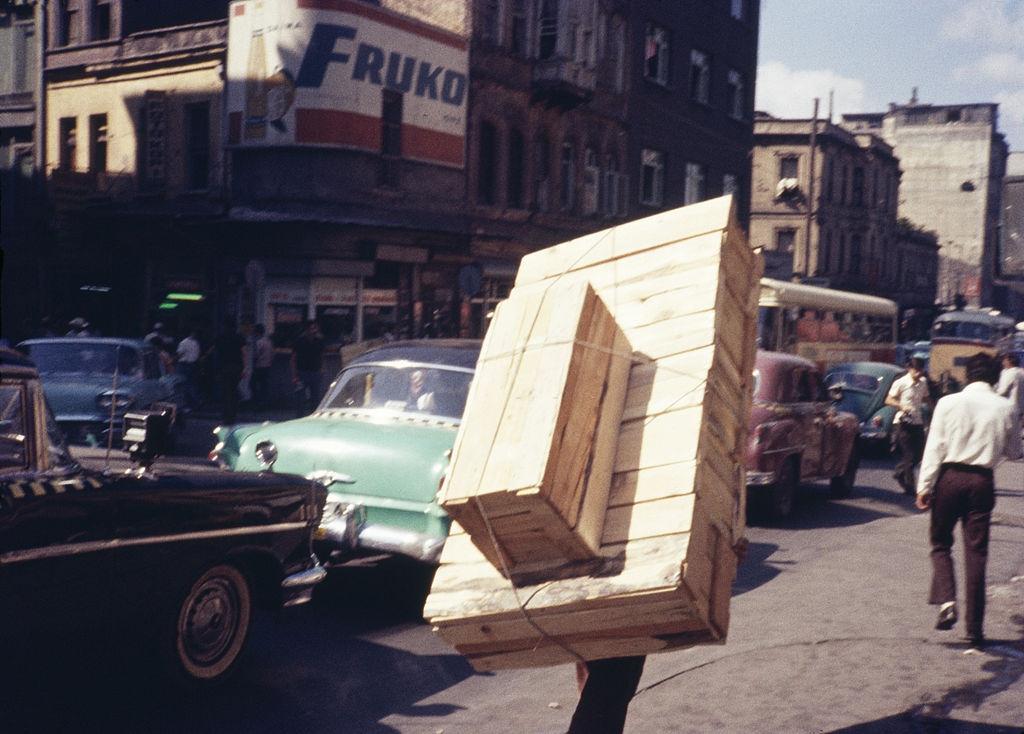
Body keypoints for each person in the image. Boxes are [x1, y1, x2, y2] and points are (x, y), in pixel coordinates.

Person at [566, 538, 750, 733]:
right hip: (617, 593)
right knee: (608, 692)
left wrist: (721, 558)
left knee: (608, 692)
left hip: (630, 592)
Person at [915, 353, 1022, 650]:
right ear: (994, 378)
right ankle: (974, 631)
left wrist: (924, 487)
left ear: (967, 376)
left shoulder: (948, 403)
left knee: (940, 543)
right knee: (976, 554)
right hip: (982, 482)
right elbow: (1014, 452)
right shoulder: (1006, 408)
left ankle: (947, 599)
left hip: (949, 478)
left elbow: (935, 447)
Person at [886, 356, 932, 495]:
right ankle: (910, 487)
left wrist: (934, 409)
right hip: (902, 423)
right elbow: (888, 399)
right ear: (909, 369)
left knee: (920, 454)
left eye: (920, 371)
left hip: (917, 422)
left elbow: (925, 397)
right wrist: (901, 406)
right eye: (915, 370)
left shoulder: (923, 382)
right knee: (909, 456)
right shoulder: (901, 383)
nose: (918, 374)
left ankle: (900, 472)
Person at [213, 319, 248, 425]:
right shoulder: (239, 337)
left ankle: (226, 416)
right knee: (233, 391)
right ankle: (233, 415)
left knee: (225, 392)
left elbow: (216, 353)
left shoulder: (220, 337)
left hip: (223, 367)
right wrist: (245, 368)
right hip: (236, 367)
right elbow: (244, 353)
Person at [291, 320, 325, 416]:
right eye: (311, 328)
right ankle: (299, 416)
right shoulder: (299, 341)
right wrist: (294, 375)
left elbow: (321, 355)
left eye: (315, 328)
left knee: (315, 397)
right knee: (300, 397)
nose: (314, 331)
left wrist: (322, 368)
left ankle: (314, 415)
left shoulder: (319, 341)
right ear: (307, 330)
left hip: (315, 371)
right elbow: (293, 358)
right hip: (302, 372)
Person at [175, 327, 202, 411]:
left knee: (184, 384)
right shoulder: (196, 343)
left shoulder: (184, 342)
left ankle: (192, 403)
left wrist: (173, 360)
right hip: (192, 364)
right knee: (192, 384)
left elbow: (179, 353)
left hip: (185, 364)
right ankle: (195, 402)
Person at [996, 353, 1024, 427]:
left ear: (1010, 361)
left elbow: (1002, 391)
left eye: (1004, 360)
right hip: (1020, 408)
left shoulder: (1010, 372)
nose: (1003, 363)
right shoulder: (1021, 372)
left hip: (1009, 408)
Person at [251, 324, 275, 411]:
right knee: (264, 386)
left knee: (253, 384)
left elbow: (256, 355)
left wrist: (253, 364)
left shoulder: (259, 342)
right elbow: (272, 354)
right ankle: (264, 403)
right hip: (267, 366)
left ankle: (257, 403)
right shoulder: (269, 341)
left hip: (259, 366)